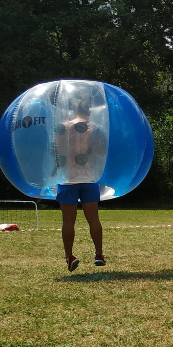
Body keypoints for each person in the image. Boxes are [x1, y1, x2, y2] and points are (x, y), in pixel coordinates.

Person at [55, 95, 107, 271]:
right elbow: (101, 152)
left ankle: (69, 256)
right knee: (93, 219)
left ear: (73, 110)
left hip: (67, 178)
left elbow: (56, 150)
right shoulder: (95, 128)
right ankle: (98, 254)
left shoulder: (62, 127)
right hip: (88, 177)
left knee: (68, 221)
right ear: (88, 110)